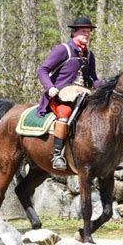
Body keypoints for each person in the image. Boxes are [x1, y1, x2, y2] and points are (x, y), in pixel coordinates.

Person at [36, 17, 102, 170]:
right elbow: (43, 70)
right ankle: (57, 155)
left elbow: (92, 79)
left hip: (82, 96)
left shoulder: (89, 55)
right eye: (83, 31)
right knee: (65, 113)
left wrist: (108, 84)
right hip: (60, 95)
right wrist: (50, 87)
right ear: (74, 33)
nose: (87, 34)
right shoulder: (63, 49)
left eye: (88, 31)